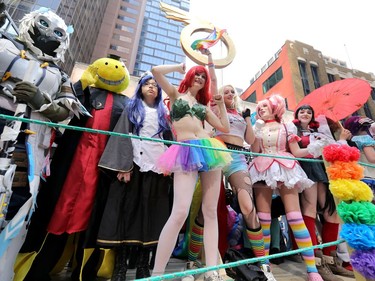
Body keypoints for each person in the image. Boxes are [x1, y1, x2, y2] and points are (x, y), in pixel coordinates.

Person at [18, 55, 132, 281]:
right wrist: (82, 82)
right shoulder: (85, 91)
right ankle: (38, 269)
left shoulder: (125, 103)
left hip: (102, 170)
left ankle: (83, 273)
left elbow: (128, 134)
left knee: (92, 219)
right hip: (72, 162)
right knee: (57, 210)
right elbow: (67, 103)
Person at [0, 6, 87, 279]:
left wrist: (41, 102)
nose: (49, 33)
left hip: (30, 156)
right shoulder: (5, 46)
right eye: (45, 25)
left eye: (58, 31)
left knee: (17, 215)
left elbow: (67, 112)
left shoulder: (59, 75)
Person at [150, 48, 232, 281]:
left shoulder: (203, 106)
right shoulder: (176, 95)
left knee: (210, 212)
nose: (200, 78)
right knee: (180, 212)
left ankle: (212, 271)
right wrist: (178, 68)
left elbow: (224, 128)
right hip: (185, 150)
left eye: (203, 76)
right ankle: (157, 274)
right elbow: (156, 71)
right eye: (197, 74)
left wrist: (221, 105)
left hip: (209, 150)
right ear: (189, 77)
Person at [96, 72, 173, 280]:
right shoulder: (132, 107)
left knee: (152, 215)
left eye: (155, 85)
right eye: (146, 84)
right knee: (126, 213)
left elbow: (169, 142)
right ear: (139, 87)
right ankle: (120, 266)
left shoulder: (163, 113)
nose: (151, 87)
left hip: (157, 170)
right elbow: (122, 135)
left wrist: (168, 165)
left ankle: (142, 265)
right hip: (133, 167)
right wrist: (123, 165)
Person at [249, 94, 323, 281]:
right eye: (259, 108)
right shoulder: (258, 127)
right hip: (262, 167)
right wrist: (255, 132)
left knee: (295, 217)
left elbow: (297, 151)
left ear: (275, 106)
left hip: (285, 166)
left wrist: (313, 149)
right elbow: (254, 151)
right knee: (263, 219)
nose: (261, 109)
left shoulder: (287, 125)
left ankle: (312, 269)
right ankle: (265, 267)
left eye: (264, 106)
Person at [214, 84, 276, 280]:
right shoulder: (214, 107)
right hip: (215, 153)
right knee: (206, 209)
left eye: (233, 91)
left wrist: (248, 118)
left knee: (248, 208)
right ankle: (196, 262)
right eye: (226, 91)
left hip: (238, 157)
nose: (230, 94)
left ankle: (264, 264)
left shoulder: (242, 115)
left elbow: (250, 140)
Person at [293, 105, 353, 280]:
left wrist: (340, 139)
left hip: (324, 169)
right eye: (302, 111)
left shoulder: (319, 131)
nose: (305, 114)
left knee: (332, 213)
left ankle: (331, 259)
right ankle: (317, 262)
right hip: (306, 168)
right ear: (296, 115)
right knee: (309, 209)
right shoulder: (293, 130)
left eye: (309, 112)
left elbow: (331, 151)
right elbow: (295, 151)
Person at [344, 115, 375, 202]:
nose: (366, 130)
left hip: (359, 178)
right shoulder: (364, 139)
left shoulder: (350, 141)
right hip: (370, 177)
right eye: (363, 128)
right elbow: (372, 158)